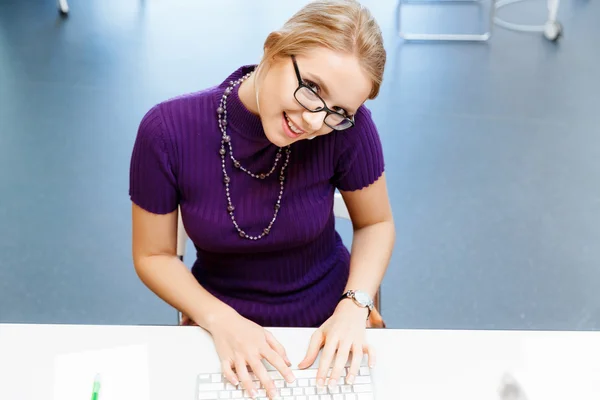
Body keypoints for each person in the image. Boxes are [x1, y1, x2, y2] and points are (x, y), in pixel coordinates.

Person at [129, 0, 395, 398]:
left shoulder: (347, 132)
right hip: (217, 323)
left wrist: (354, 306)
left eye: (338, 111)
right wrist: (218, 319)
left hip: (329, 321)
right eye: (312, 90)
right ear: (273, 47)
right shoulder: (167, 132)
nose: (313, 121)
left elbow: (376, 223)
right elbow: (154, 255)